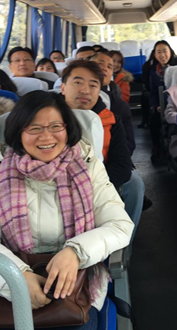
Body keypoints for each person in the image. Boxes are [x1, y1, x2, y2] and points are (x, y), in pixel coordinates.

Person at [0, 91, 134, 329]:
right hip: (12, 275)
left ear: (67, 129)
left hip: (77, 279)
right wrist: (16, 276)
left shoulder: (89, 168)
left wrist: (75, 252)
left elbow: (119, 225)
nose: (46, 136)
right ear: (18, 132)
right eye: (34, 128)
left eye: (55, 126)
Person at [61, 61, 144, 239]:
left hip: (99, 182)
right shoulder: (46, 119)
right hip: (53, 184)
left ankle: (123, 245)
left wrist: (88, 187)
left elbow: (121, 165)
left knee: (134, 183)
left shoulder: (112, 120)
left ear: (99, 91)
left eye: (93, 85)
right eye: (78, 82)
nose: (85, 90)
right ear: (63, 87)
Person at [89, 53, 135, 154]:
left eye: (109, 67)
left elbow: (128, 144)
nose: (104, 68)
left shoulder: (119, 105)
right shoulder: (70, 98)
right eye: (100, 64)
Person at [148, 40, 177, 162]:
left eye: (165, 51)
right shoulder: (153, 71)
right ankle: (157, 150)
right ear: (155, 55)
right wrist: (157, 106)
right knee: (153, 121)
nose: (162, 55)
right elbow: (153, 92)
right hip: (162, 104)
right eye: (159, 52)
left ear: (170, 52)